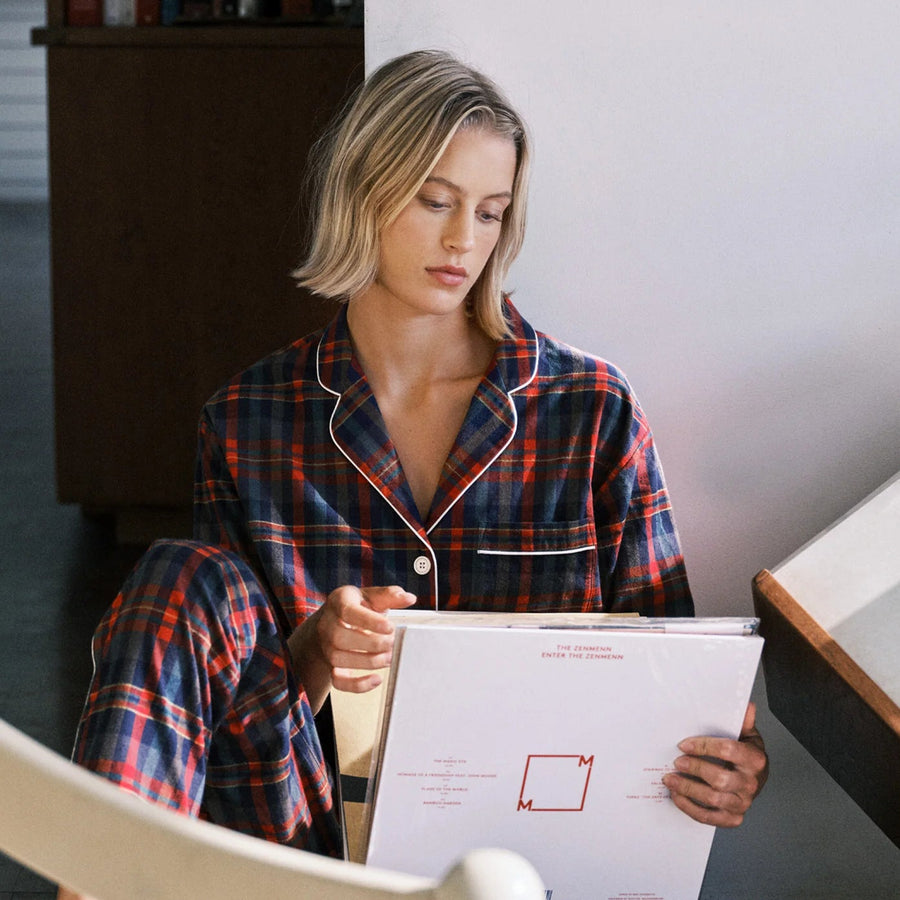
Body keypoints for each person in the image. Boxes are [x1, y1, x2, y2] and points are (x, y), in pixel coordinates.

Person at [60, 48, 767, 899]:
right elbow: (225, 715)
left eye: (490, 212)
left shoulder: (590, 410)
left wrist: (726, 764)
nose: (464, 239)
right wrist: (315, 651)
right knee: (182, 576)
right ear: (362, 190)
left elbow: (675, 677)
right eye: (436, 201)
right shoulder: (248, 420)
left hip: (532, 860)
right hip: (312, 851)